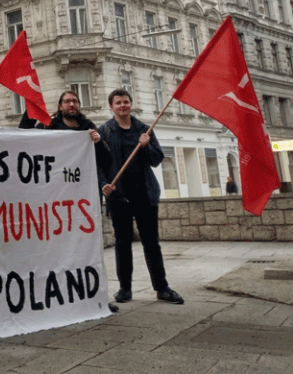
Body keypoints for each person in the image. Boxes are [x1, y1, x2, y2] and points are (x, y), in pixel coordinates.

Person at [20, 90, 117, 312]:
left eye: (74, 101)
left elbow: (106, 160)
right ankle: (58, 295)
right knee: (56, 250)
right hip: (56, 200)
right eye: (67, 101)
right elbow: (25, 139)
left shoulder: (89, 126)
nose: (71, 104)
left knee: (88, 250)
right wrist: (29, 112)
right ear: (60, 106)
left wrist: (99, 142)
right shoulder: (49, 126)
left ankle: (95, 295)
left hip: (84, 202)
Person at [98, 89, 184, 305]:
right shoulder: (105, 131)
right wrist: (103, 185)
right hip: (119, 197)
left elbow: (156, 159)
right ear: (112, 107)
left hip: (145, 195)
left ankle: (162, 288)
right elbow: (98, 163)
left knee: (151, 243)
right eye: (118, 103)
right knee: (122, 243)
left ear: (131, 104)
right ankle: (124, 289)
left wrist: (146, 146)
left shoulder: (145, 129)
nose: (122, 106)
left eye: (126, 102)